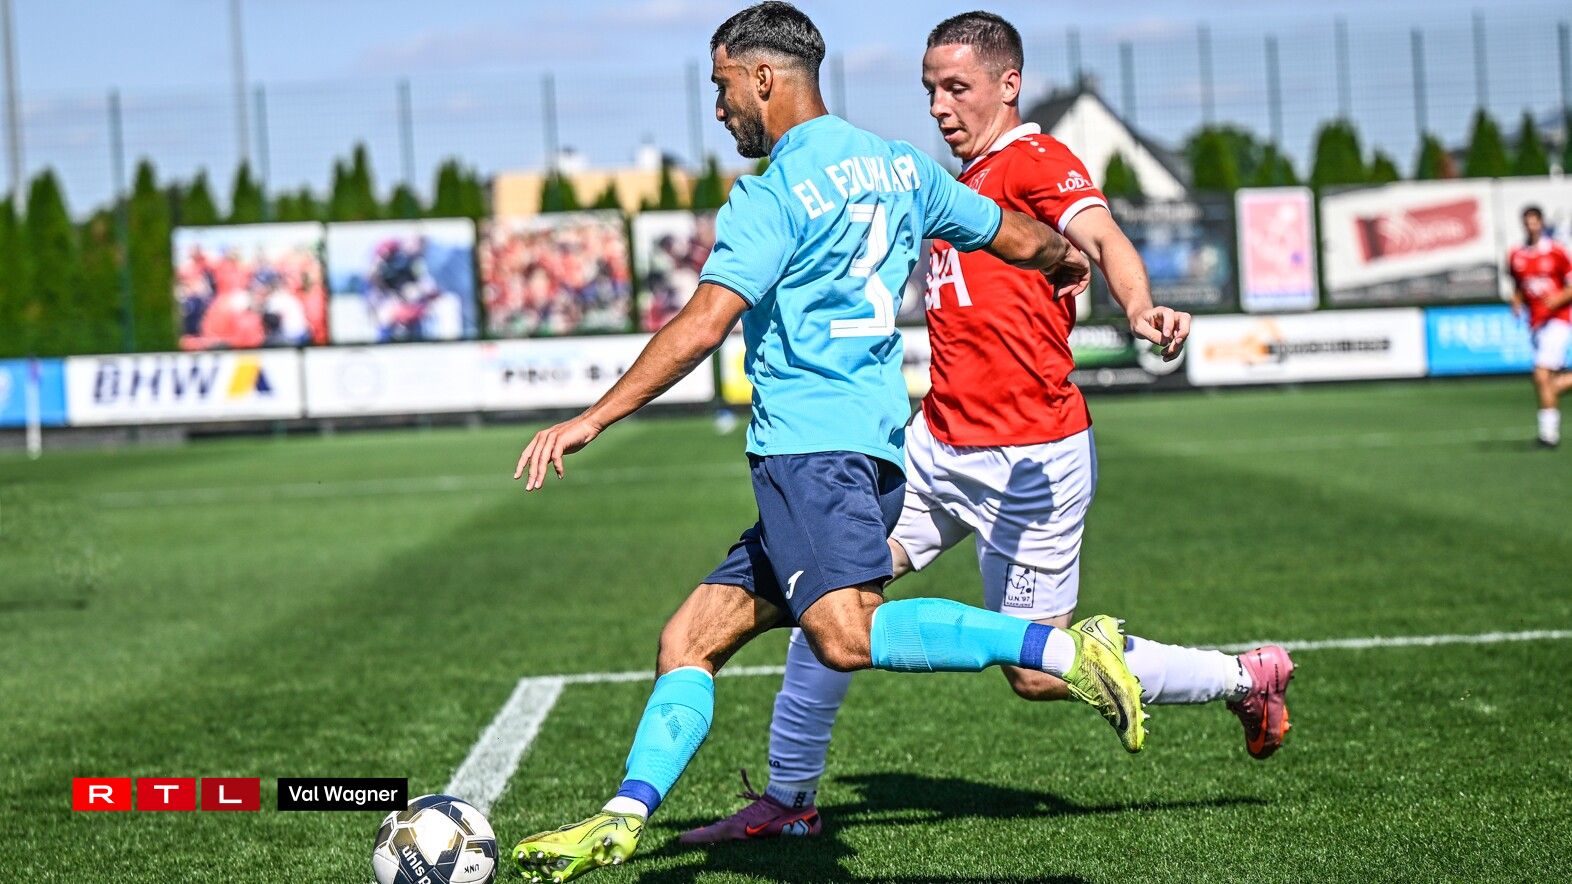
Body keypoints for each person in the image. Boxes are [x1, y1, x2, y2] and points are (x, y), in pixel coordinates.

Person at [507, 4, 1166, 881]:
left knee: (846, 636)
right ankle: (622, 818)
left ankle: (1065, 650)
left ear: (764, 77)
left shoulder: (771, 193)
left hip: (810, 454)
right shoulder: (901, 165)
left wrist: (592, 417)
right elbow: (1011, 234)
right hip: (879, 452)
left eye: (722, 86)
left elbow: (703, 325)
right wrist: (1060, 260)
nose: (719, 107)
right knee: (689, 639)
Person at [679, 11, 1296, 845]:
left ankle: (1243, 677)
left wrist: (1140, 304)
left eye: (956, 87)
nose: (939, 106)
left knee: (1033, 675)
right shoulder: (947, 181)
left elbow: (1101, 234)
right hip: (934, 448)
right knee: (828, 597)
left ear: (1009, 85)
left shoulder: (1035, 160)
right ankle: (790, 795)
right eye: (930, 89)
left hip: (1031, 463)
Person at [1506, 205, 1572, 447]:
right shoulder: (1516, 255)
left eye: (1534, 221)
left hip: (1558, 319)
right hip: (1535, 322)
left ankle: (1548, 435)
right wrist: (1516, 301)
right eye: (1527, 222)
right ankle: (1548, 433)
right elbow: (1519, 286)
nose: (1531, 226)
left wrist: (1559, 298)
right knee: (1548, 381)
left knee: (1541, 374)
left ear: (1542, 223)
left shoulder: (1556, 251)